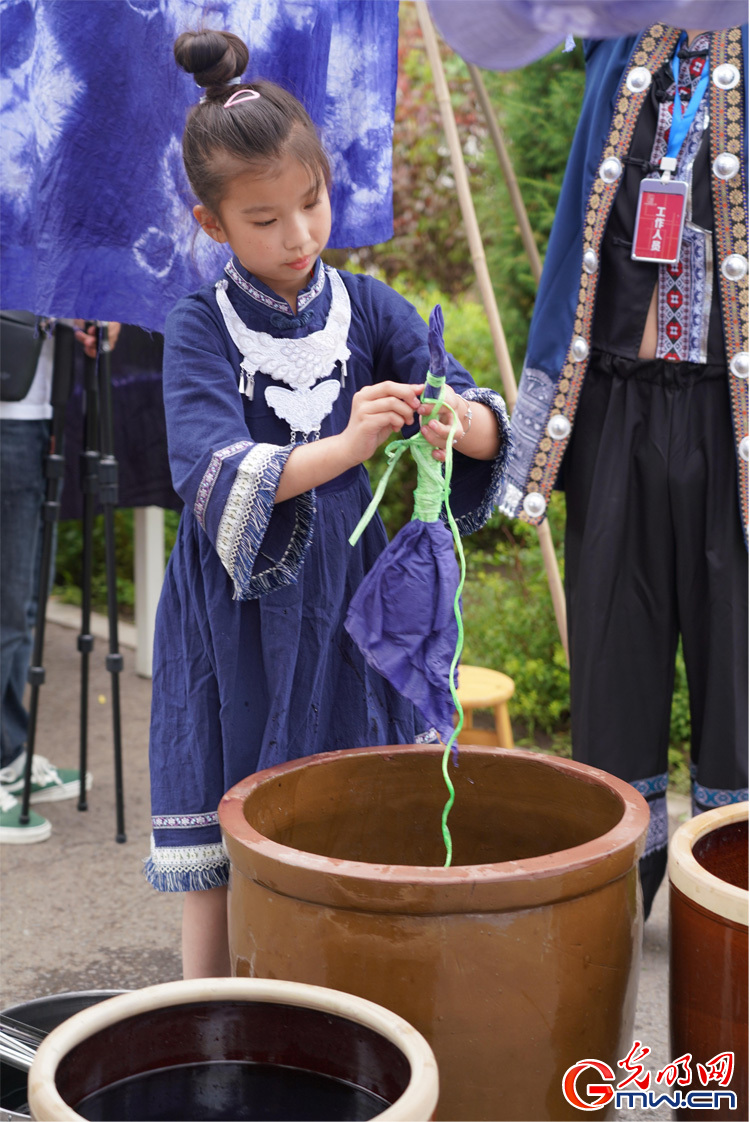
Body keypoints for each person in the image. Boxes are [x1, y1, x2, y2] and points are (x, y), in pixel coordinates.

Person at [144, 28, 510, 978]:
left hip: (344, 603)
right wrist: (346, 446)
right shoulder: (198, 325)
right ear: (212, 224)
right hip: (234, 608)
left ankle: (345, 1005)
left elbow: (479, 423)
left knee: (352, 806)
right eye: (265, 220)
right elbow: (211, 472)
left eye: (311, 204)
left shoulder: (368, 305)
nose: (299, 236)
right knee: (225, 839)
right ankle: (211, 1024)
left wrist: (446, 419)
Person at [476, 18, 747, 917]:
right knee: (612, 668)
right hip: (617, 409)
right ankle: (613, 910)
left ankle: (728, 919)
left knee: (739, 679)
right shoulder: (614, 38)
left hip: (735, 416)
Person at [0, 319, 121, 843]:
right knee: (7, 608)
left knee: (25, 604)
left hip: (37, 416)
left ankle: (8, 753)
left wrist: (87, 321)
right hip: (8, 418)